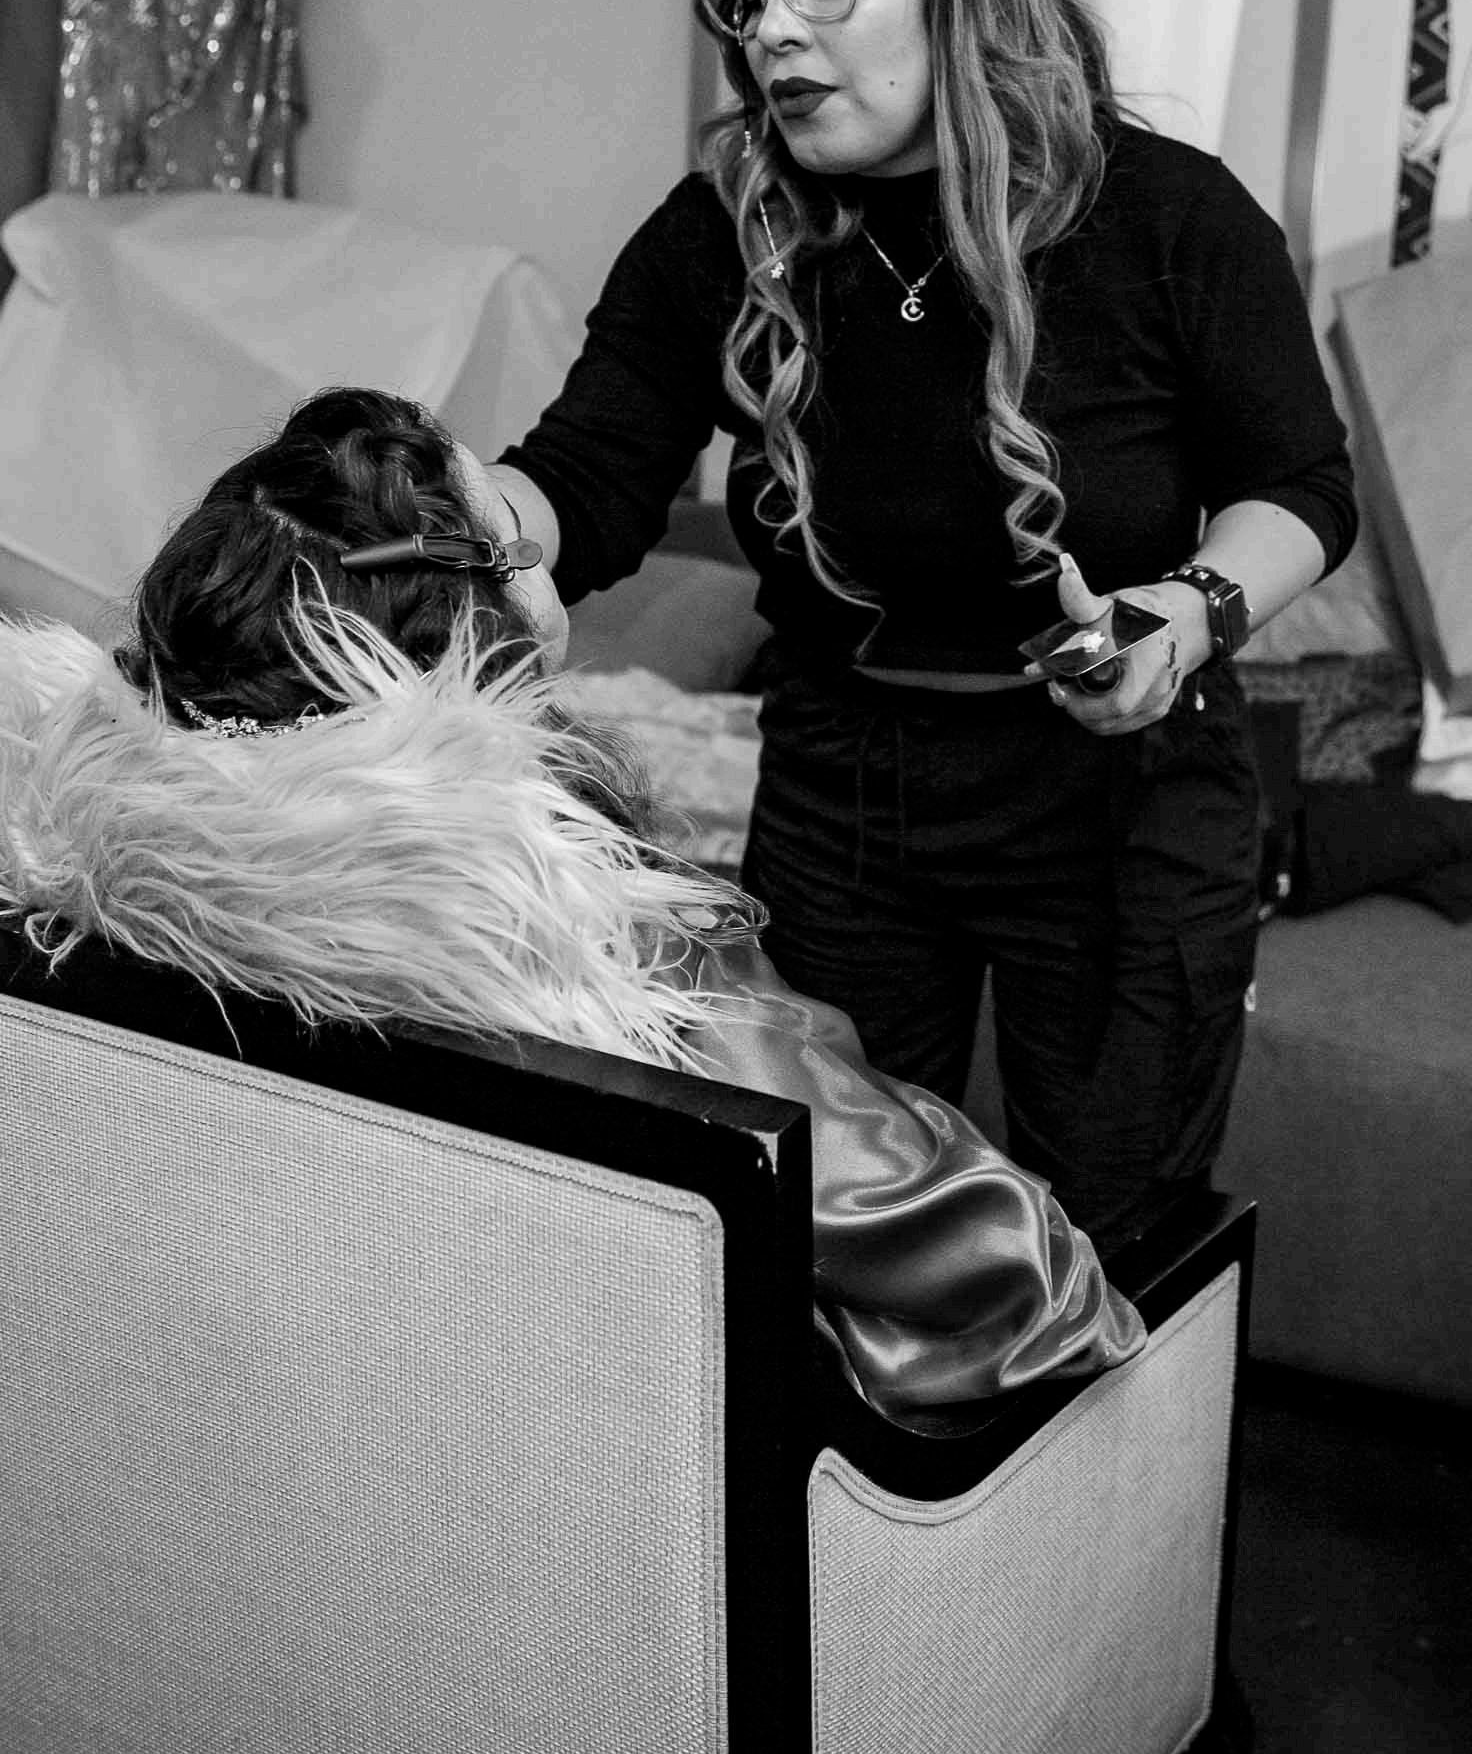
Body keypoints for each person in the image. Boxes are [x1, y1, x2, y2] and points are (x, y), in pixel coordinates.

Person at [486, 0, 1357, 1255]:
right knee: (835, 1237)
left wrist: (1185, 610)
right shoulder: (718, 233)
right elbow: (582, 479)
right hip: (846, 783)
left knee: (1108, 1238)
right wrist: (457, 513)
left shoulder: (1169, 216)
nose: (773, 29)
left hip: (1122, 789)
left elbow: (1303, 484)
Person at [0, 384, 1143, 1430]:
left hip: (239, 1410)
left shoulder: (81, 874)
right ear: (475, 624)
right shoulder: (606, 952)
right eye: (518, 537)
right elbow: (1025, 1286)